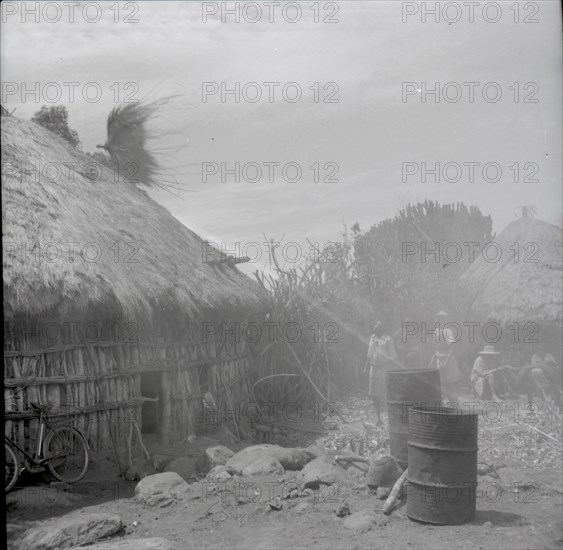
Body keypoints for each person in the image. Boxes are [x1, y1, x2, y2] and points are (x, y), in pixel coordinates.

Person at [364, 321, 399, 425]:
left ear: (382, 328)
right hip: (373, 369)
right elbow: (369, 354)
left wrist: (393, 371)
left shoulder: (388, 340)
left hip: (384, 368)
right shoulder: (372, 338)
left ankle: (391, 418)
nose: (376, 327)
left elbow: (393, 357)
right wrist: (365, 367)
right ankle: (378, 418)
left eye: (378, 326)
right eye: (375, 326)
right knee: (374, 394)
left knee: (386, 393)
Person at [431, 311, 461, 403]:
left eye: (441, 319)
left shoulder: (448, 331)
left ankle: (453, 401)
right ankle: (444, 401)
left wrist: (446, 362)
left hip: (447, 358)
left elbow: (452, 348)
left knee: (450, 382)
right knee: (441, 381)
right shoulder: (436, 331)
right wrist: (432, 359)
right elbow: (436, 348)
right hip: (439, 359)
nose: (439, 320)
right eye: (438, 318)